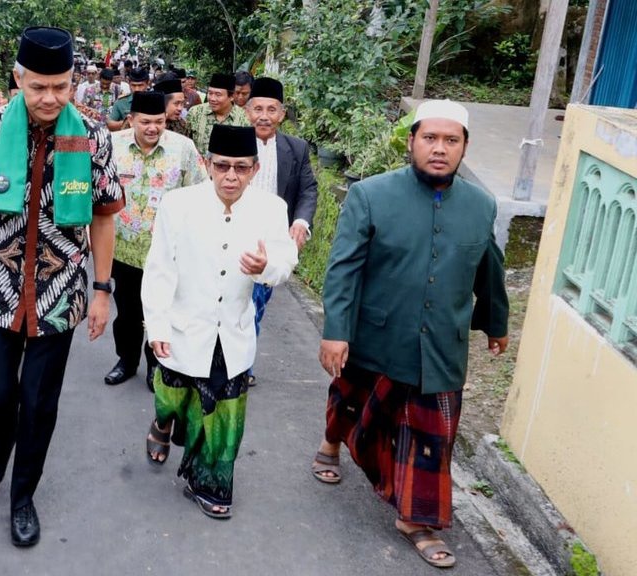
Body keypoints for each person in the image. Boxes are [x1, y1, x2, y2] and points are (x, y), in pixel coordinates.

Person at [314, 99, 509, 569]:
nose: (439, 149)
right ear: (411, 142)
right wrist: (336, 331)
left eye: (450, 141)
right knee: (352, 402)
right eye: (429, 138)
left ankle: (415, 518)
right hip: (374, 336)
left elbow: (489, 269)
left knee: (431, 436)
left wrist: (496, 324)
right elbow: (344, 270)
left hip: (443, 347)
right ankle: (331, 444)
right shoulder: (372, 195)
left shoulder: (482, 206)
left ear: (464, 148)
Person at [0, 26, 123, 547]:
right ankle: (2, 435)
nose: (50, 98)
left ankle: (22, 497)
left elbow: (104, 217)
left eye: (61, 87)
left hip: (59, 292)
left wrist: (102, 289)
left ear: (73, 85)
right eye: (39, 86)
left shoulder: (93, 136)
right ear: (19, 79)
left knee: (40, 404)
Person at [142, 124, 297, 518]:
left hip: (233, 332)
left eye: (241, 168)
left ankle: (210, 484)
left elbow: (285, 261)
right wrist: (157, 326)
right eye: (223, 166)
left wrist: (267, 267)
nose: (231, 176)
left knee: (224, 414)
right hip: (182, 327)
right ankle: (162, 424)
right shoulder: (178, 205)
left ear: (254, 168)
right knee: (172, 399)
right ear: (207, 164)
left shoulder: (271, 208)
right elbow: (159, 268)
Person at [105, 91, 206, 390]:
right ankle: (126, 360)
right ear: (131, 120)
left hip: (169, 252)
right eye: (145, 122)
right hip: (122, 249)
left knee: (161, 311)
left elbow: (201, 194)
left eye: (159, 122)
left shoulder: (183, 148)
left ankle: (156, 365)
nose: (153, 128)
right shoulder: (112, 146)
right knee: (127, 312)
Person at [245, 76, 318, 354]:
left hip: (272, 241)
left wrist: (300, 222)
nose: (264, 117)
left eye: (271, 110)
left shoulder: (296, 148)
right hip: (235, 234)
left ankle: (241, 360)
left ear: (282, 113)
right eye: (258, 109)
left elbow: (308, 189)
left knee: (258, 300)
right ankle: (240, 364)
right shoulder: (232, 140)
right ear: (247, 111)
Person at [187, 72, 251, 156]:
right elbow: (185, 143)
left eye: (218, 95)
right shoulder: (195, 112)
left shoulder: (244, 118)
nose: (212, 98)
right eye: (210, 93)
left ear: (231, 97)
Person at [107, 67, 151, 131]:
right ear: (129, 84)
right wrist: (128, 123)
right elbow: (110, 124)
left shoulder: (155, 101)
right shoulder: (121, 102)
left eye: (140, 85)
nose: (137, 89)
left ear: (147, 84)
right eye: (133, 85)